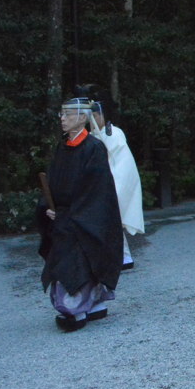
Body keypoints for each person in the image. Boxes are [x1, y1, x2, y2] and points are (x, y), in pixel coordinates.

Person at [36, 97, 123, 332]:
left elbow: (97, 189)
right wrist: (48, 206)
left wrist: (71, 214)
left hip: (84, 215)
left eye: (67, 114)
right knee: (67, 257)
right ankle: (91, 305)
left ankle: (75, 311)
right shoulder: (63, 146)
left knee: (79, 259)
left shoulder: (94, 148)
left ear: (82, 118)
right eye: (61, 115)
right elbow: (53, 180)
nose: (62, 119)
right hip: (64, 214)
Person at [83, 86, 144, 270]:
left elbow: (122, 165)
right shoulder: (94, 135)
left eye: (94, 115)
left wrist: (110, 189)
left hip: (116, 182)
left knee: (111, 221)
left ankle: (123, 257)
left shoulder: (114, 134)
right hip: (103, 184)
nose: (91, 119)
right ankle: (118, 257)